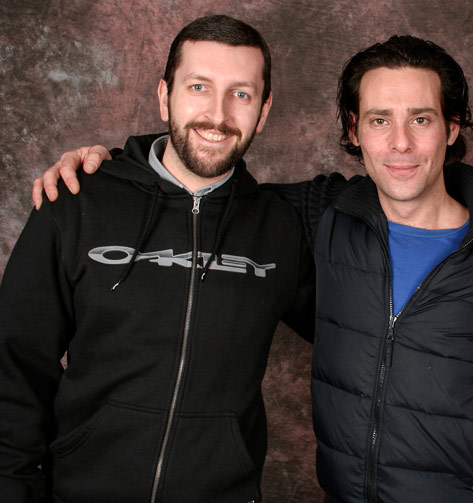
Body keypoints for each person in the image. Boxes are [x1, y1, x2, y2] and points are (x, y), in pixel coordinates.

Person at [33, 35, 473, 502]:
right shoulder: (319, 217)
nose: (401, 143)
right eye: (380, 119)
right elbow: (199, 187)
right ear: (354, 130)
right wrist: (117, 169)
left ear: (452, 128)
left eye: (422, 119)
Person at [0, 15, 315, 502]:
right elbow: (14, 367)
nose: (218, 114)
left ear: (265, 108)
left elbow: (364, 334)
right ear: (165, 95)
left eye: (242, 94)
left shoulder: (281, 228)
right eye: (198, 86)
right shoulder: (79, 201)